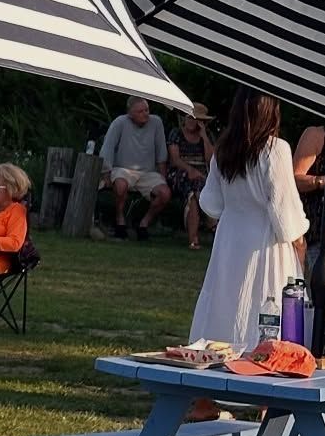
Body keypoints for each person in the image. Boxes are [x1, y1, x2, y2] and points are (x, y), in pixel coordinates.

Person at [187, 90, 308, 381]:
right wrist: (300, 239)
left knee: (222, 305)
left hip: (230, 240)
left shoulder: (225, 149)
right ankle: (266, 388)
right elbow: (285, 214)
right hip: (265, 243)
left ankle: (206, 392)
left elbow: (211, 204)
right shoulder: (275, 150)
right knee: (265, 310)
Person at [100, 96, 171, 240]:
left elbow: (161, 152)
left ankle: (143, 224)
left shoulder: (156, 122)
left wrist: (163, 177)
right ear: (130, 113)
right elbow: (107, 149)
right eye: (140, 111)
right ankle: (120, 220)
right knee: (120, 186)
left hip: (147, 172)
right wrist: (106, 174)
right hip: (123, 169)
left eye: (147, 110)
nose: (145, 114)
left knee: (165, 193)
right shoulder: (120, 123)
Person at [167, 104, 218, 250]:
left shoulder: (208, 136)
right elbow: (175, 159)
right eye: (189, 117)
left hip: (201, 177)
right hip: (180, 172)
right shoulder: (176, 133)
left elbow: (210, 159)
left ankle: (194, 239)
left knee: (195, 194)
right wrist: (191, 170)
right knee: (196, 187)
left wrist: (204, 137)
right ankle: (211, 224)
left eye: (195, 119)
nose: (191, 121)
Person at [293, 121, 325, 271]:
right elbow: (293, 179)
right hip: (321, 238)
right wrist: (321, 181)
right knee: (320, 292)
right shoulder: (317, 136)